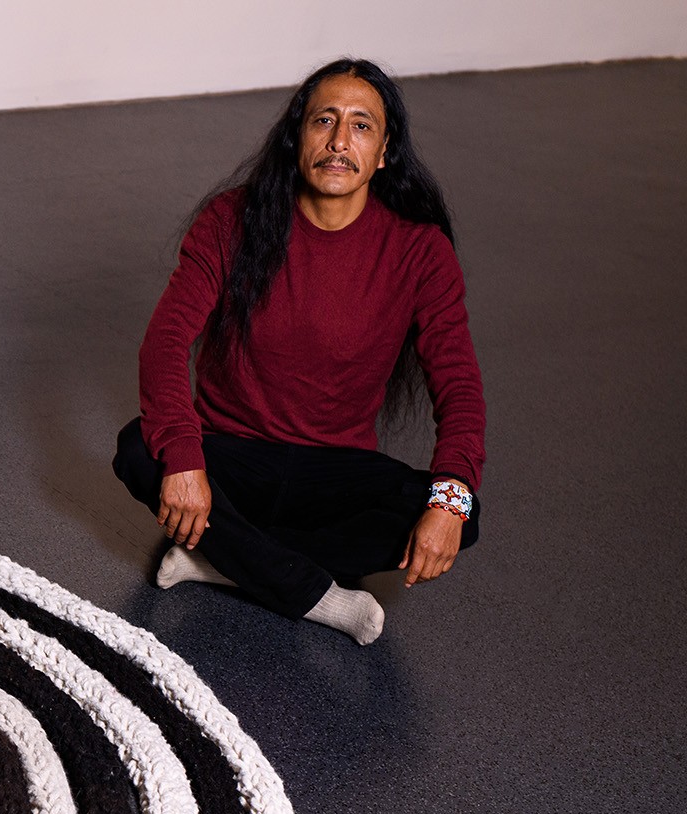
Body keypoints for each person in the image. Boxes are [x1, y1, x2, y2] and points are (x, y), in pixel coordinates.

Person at [113, 58, 485, 645]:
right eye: (324, 121)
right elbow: (164, 343)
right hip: (231, 461)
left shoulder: (420, 251)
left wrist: (449, 503)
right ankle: (318, 594)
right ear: (297, 137)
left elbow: (459, 388)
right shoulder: (230, 220)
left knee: (460, 512)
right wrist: (184, 459)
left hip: (332, 474)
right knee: (139, 449)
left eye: (361, 126)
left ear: (384, 152)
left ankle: (224, 562)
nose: (339, 141)